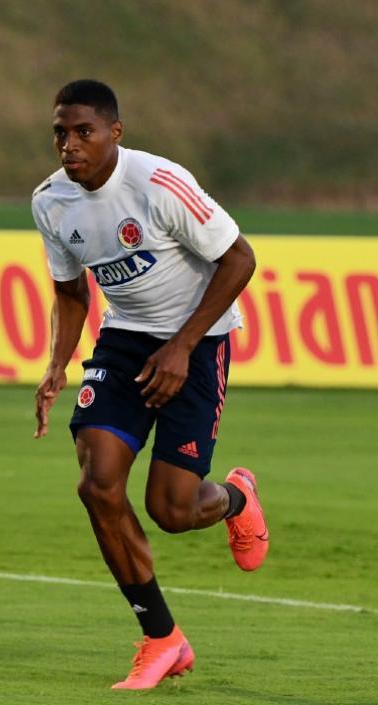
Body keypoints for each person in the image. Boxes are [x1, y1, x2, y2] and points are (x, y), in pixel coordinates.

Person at [31, 79, 269, 690]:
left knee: (171, 509)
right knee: (97, 481)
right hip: (126, 339)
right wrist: (57, 365)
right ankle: (162, 638)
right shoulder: (51, 202)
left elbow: (239, 258)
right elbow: (69, 289)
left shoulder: (158, 184)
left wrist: (183, 347)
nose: (69, 144)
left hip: (201, 336)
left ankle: (237, 497)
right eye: (60, 131)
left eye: (83, 131)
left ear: (115, 132)